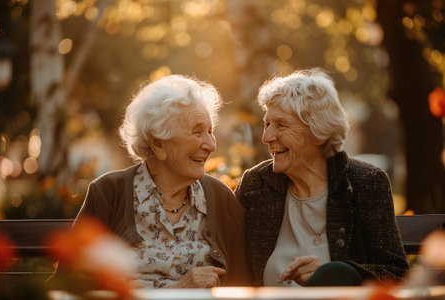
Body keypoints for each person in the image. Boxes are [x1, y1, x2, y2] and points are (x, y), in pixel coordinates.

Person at [235, 68, 409, 287]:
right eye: (267, 124)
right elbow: (232, 268)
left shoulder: (365, 182)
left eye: (281, 125)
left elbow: (395, 274)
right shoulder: (256, 185)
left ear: (318, 130)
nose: (266, 137)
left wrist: (330, 274)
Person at [75, 75, 252, 288]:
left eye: (210, 132)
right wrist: (180, 290)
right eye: (197, 132)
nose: (211, 145)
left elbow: (243, 287)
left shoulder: (221, 199)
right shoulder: (108, 194)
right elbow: (73, 282)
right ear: (158, 143)